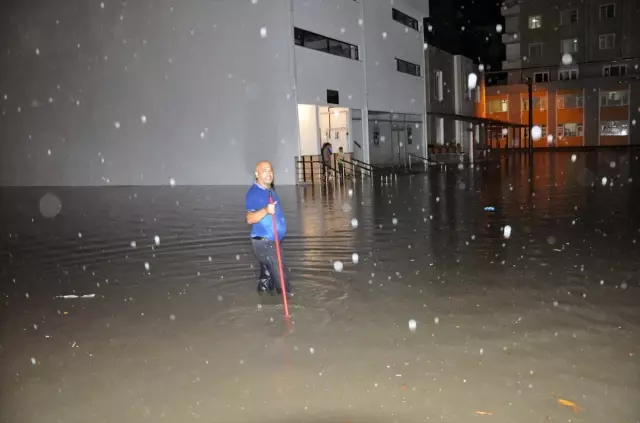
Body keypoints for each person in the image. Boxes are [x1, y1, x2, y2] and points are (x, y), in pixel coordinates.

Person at [245, 161, 293, 296]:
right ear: (257, 174)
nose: (269, 173)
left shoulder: (269, 191)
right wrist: (266, 210)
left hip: (270, 242)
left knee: (267, 280)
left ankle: (264, 303)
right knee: (281, 280)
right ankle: (291, 305)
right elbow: (249, 218)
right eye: (264, 170)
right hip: (266, 243)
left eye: (270, 170)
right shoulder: (254, 193)